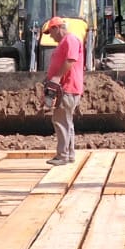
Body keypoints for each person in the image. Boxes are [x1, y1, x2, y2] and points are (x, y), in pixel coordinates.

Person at [43, 16, 82, 166]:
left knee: (60, 121)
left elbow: (71, 59)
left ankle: (62, 155)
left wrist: (57, 78)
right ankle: (69, 154)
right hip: (66, 87)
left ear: (56, 28)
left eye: (50, 33)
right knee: (66, 121)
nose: (51, 37)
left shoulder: (70, 40)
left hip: (67, 88)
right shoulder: (64, 42)